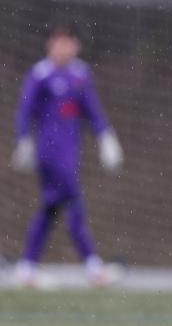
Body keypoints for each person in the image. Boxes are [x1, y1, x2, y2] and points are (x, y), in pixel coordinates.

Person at [11, 23, 124, 288]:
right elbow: (25, 110)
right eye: (58, 42)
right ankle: (93, 268)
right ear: (50, 45)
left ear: (76, 46)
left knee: (50, 209)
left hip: (72, 154)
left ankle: (27, 267)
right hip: (49, 154)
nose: (63, 47)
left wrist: (106, 136)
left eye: (68, 42)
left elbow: (92, 111)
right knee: (74, 203)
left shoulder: (80, 75)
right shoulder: (40, 75)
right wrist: (23, 139)